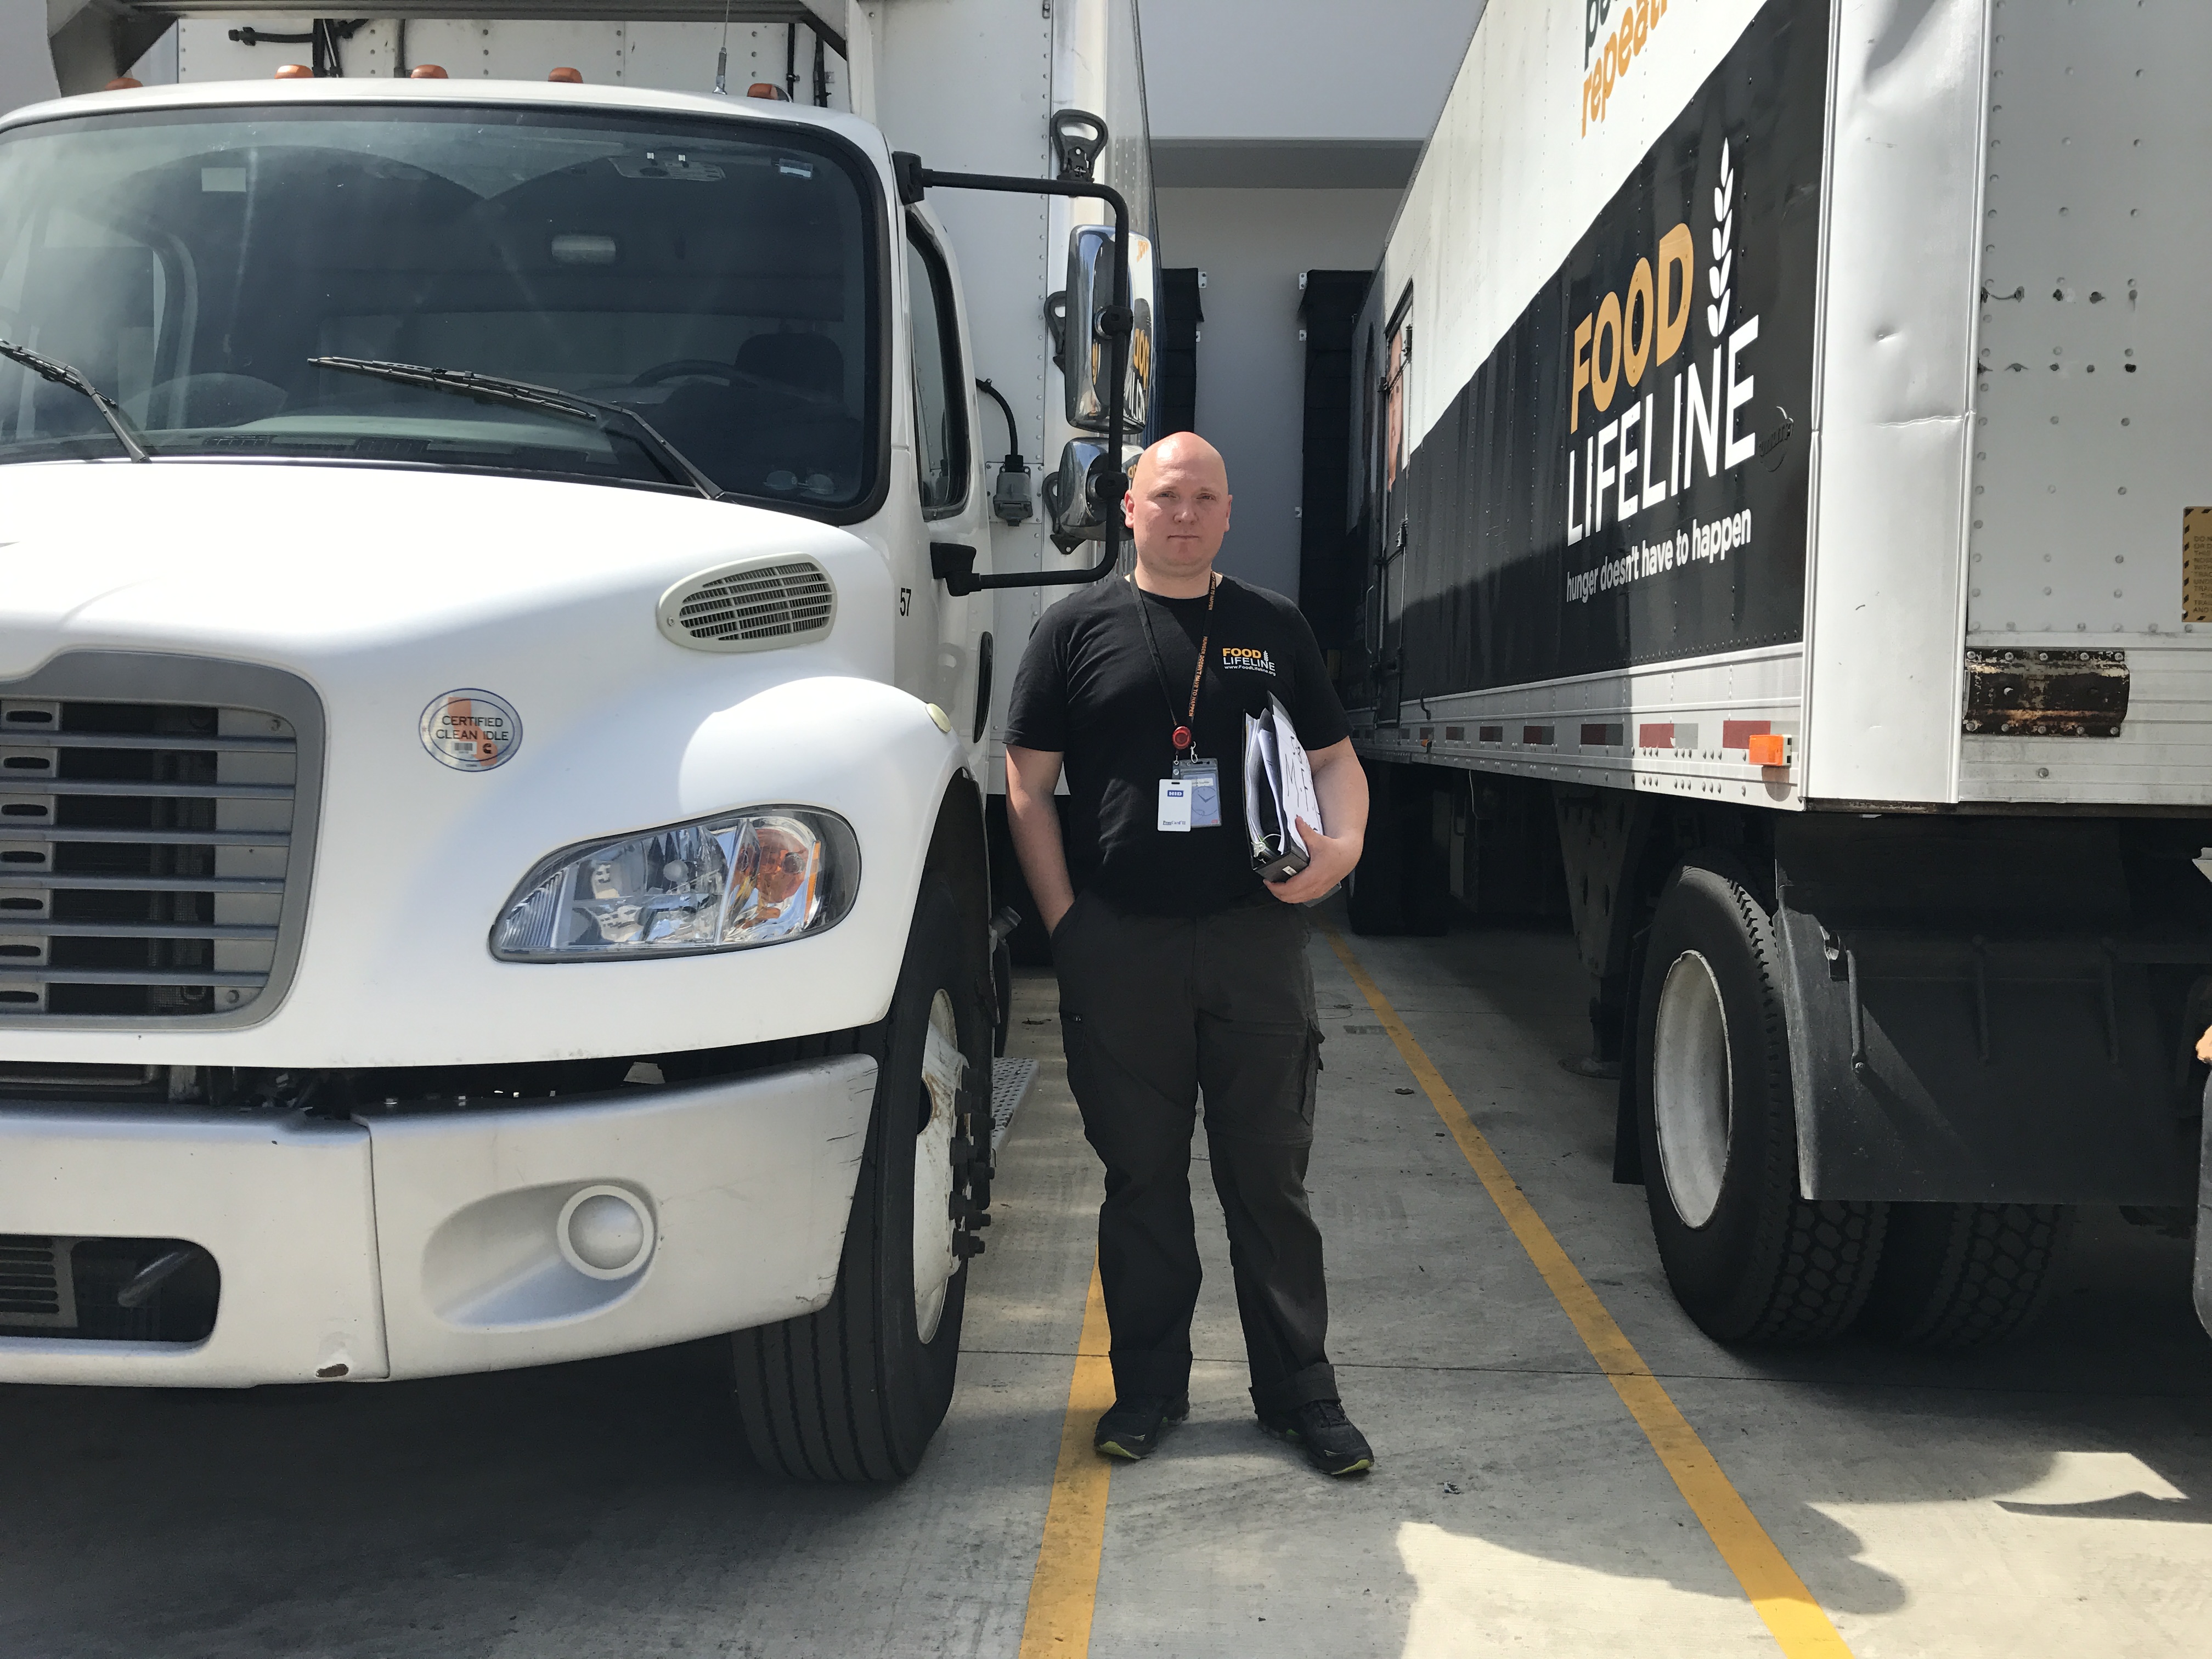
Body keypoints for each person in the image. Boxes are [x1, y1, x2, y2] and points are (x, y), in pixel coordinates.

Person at [1003, 431, 1376, 1476]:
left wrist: (1339, 852)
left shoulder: (1271, 628)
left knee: (1270, 1179)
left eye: (1205, 497)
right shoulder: (1072, 629)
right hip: (1120, 944)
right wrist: (1068, 924)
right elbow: (1027, 782)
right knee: (1143, 1183)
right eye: (1166, 495)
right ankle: (1149, 1392)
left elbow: (1336, 761)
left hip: (1254, 943)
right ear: (1129, 508)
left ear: (1226, 514)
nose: (1185, 513)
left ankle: (1301, 1394)